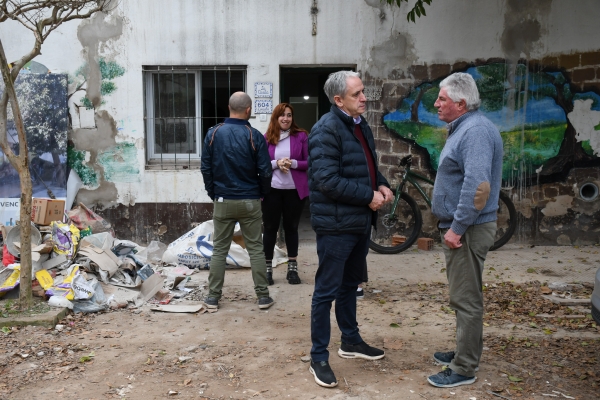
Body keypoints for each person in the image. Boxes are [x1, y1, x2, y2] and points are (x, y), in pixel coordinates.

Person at [307, 70, 393, 388]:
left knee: (351, 284)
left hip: (357, 222)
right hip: (336, 225)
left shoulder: (359, 125)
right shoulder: (325, 130)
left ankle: (350, 341)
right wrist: (368, 196)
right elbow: (327, 181)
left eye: (363, 92)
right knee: (326, 291)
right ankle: (318, 357)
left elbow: (369, 167)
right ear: (338, 99)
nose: (364, 98)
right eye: (357, 94)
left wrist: (381, 186)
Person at [427, 73, 503, 388]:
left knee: (466, 299)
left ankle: (464, 367)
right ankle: (463, 350)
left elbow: (478, 186)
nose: (436, 103)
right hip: (466, 228)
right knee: (462, 296)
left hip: (468, 230)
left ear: (460, 103)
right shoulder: (466, 128)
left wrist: (457, 228)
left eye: (442, 99)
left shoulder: (475, 131)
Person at [200, 91, 275, 311]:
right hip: (250, 200)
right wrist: (262, 193)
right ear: (248, 110)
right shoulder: (254, 135)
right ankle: (263, 297)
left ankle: (213, 298)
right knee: (256, 249)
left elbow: (205, 167)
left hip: (223, 200)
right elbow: (265, 170)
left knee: (219, 250)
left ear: (229, 106)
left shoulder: (213, 133)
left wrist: (213, 193)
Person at [262, 103, 309, 285]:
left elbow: (309, 162)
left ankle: (292, 268)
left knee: (291, 228)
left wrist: (293, 164)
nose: (286, 119)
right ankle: (267, 269)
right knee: (270, 229)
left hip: (294, 191)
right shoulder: (267, 138)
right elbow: (261, 164)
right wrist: (276, 163)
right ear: (276, 117)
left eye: (289, 115)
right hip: (272, 190)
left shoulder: (301, 136)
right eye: (282, 115)